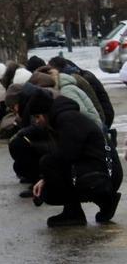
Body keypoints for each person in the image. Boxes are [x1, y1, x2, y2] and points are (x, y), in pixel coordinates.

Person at [29, 94, 122, 227]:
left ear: (46, 113)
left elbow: (67, 156)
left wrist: (45, 177)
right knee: (48, 181)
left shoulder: (67, 119)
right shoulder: (65, 117)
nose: (36, 122)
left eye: (37, 117)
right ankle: (104, 201)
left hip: (107, 175)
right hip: (105, 172)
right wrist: (45, 178)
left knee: (48, 165)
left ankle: (75, 212)